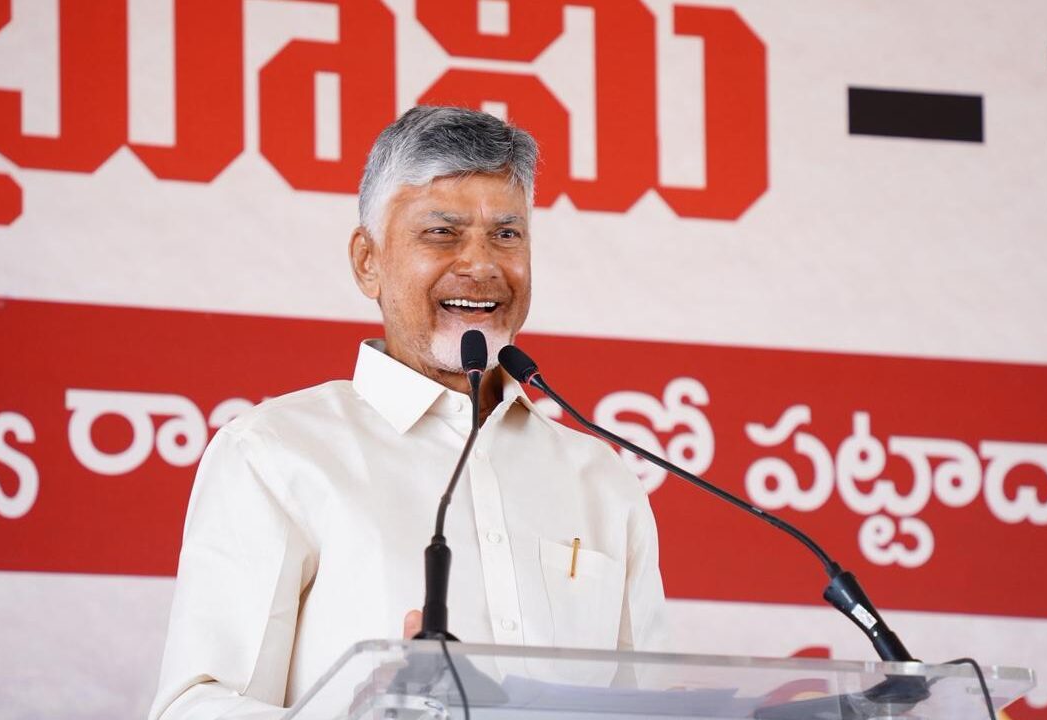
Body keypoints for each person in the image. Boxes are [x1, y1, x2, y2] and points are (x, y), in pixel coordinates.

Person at [148, 105, 666, 719]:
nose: (481, 265)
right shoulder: (274, 453)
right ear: (368, 262)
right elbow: (195, 708)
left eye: (507, 234)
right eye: (441, 233)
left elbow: (646, 707)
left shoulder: (602, 480)